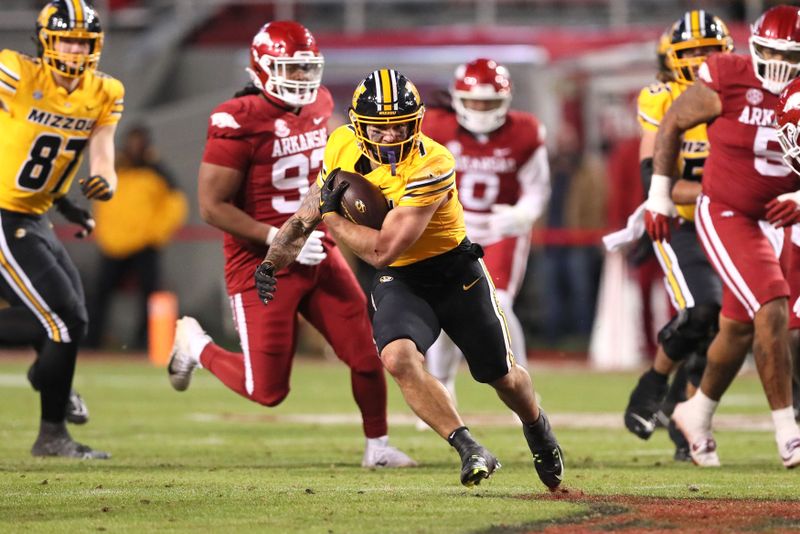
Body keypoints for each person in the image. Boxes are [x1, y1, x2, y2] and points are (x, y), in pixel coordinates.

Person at [254, 68, 564, 490]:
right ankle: (468, 446)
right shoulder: (342, 143)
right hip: (401, 280)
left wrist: (330, 216)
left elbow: (383, 247)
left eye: (399, 124)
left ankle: (537, 428)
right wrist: (275, 258)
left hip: (454, 273)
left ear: (416, 121)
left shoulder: (433, 163)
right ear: (358, 126)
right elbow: (314, 202)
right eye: (379, 128)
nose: (390, 136)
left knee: (501, 375)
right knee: (398, 358)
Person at [165, 22, 415, 469]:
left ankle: (378, 446)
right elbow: (211, 207)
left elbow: (340, 155)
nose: (301, 79)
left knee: (367, 351)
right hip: (261, 263)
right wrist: (280, 240)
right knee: (268, 391)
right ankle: (195, 344)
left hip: (320, 250)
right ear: (261, 67)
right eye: (290, 69)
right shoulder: (236, 117)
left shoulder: (319, 104)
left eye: (306, 68)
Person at [644, 4, 800, 468]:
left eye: (790, 57)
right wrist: (658, 194)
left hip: (784, 219)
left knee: (737, 326)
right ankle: (788, 431)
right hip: (729, 211)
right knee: (772, 309)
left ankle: (697, 410)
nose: (779, 67)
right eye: (771, 53)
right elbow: (672, 122)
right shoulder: (727, 76)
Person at [0, 0, 122, 458]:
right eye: (67, 39)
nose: (74, 49)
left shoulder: (105, 90)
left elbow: (102, 160)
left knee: (72, 319)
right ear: (46, 41)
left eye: (82, 41)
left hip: (36, 214)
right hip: (4, 215)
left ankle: (52, 376)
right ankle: (52, 433)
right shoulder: (16, 73)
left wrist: (94, 190)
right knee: (61, 320)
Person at [624, 10, 732, 462]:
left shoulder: (739, 98)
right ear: (672, 59)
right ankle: (652, 384)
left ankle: (682, 418)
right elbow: (657, 178)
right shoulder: (659, 97)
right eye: (693, 54)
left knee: (726, 329)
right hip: (678, 218)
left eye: (711, 51)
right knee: (701, 311)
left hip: (729, 220)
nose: (703, 60)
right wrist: (724, 186)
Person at [418, 58, 550, 407]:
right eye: (474, 101)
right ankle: (442, 391)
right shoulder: (435, 126)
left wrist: (523, 214)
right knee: (446, 312)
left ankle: (522, 387)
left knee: (501, 304)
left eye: (489, 103)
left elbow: (538, 188)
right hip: (450, 227)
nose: (480, 109)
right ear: (458, 98)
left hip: (499, 226)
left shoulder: (525, 131)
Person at [86, 124, 187, 349]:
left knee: (149, 296)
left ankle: (146, 343)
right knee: (100, 295)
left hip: (144, 244)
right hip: (113, 244)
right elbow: (101, 202)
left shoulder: (157, 172)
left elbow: (176, 204)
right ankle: (92, 342)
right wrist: (102, 231)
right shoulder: (116, 169)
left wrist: (157, 233)